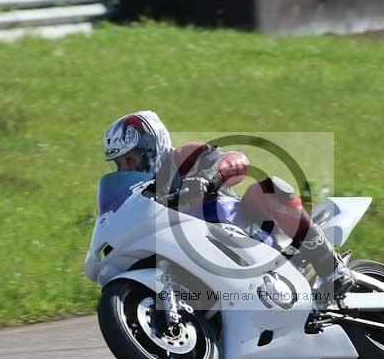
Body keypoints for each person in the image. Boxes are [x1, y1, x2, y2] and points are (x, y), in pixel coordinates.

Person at [102, 110, 354, 299]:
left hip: (245, 230)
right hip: (201, 257)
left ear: (150, 148)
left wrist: (206, 178)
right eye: (121, 165)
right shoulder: (144, 195)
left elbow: (237, 160)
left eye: (130, 160)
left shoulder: (182, 159)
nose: (127, 169)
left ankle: (331, 266)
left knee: (265, 189)